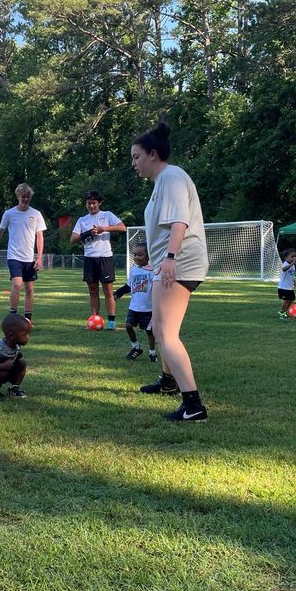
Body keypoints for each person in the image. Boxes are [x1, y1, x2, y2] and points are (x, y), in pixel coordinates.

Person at [132, 122, 210, 422]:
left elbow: (180, 222)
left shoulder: (172, 177)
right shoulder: (160, 183)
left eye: (137, 157)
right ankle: (168, 382)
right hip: (167, 264)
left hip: (180, 262)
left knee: (165, 333)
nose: (134, 164)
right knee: (159, 325)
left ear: (153, 154)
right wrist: (159, 260)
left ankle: (193, 405)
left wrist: (170, 257)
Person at [0, 184, 46, 324]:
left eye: (28, 197)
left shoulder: (36, 214)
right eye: (23, 197)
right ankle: (12, 316)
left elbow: (40, 237)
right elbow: (0, 232)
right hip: (14, 256)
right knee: (17, 285)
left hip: (29, 258)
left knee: (29, 288)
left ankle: (27, 319)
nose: (25, 199)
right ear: (18, 197)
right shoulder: (9, 214)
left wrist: (40, 257)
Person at [71, 189, 127, 328]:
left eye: (94, 203)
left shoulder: (107, 215)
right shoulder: (82, 220)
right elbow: (73, 239)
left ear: (99, 203)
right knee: (93, 290)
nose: (91, 206)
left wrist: (103, 229)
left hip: (105, 257)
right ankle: (94, 319)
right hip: (89, 258)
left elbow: (122, 228)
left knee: (107, 290)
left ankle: (111, 321)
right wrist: (87, 234)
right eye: (89, 203)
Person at [114, 244, 158, 362]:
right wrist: (119, 292)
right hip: (134, 307)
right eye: (135, 255)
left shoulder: (153, 271)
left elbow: (158, 288)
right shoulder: (133, 270)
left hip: (148, 309)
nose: (137, 257)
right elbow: (129, 286)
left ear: (149, 256)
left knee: (149, 332)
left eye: (140, 255)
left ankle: (152, 353)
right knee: (128, 326)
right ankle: (136, 347)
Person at [277, 249, 296, 319]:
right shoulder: (285, 263)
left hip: (290, 287)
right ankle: (282, 315)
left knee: (292, 299)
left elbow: (292, 274)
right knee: (286, 300)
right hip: (283, 287)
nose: (294, 258)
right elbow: (284, 269)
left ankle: (284, 311)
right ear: (286, 258)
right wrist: (292, 264)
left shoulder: (292, 265)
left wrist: (294, 281)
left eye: (294, 256)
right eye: (292, 256)